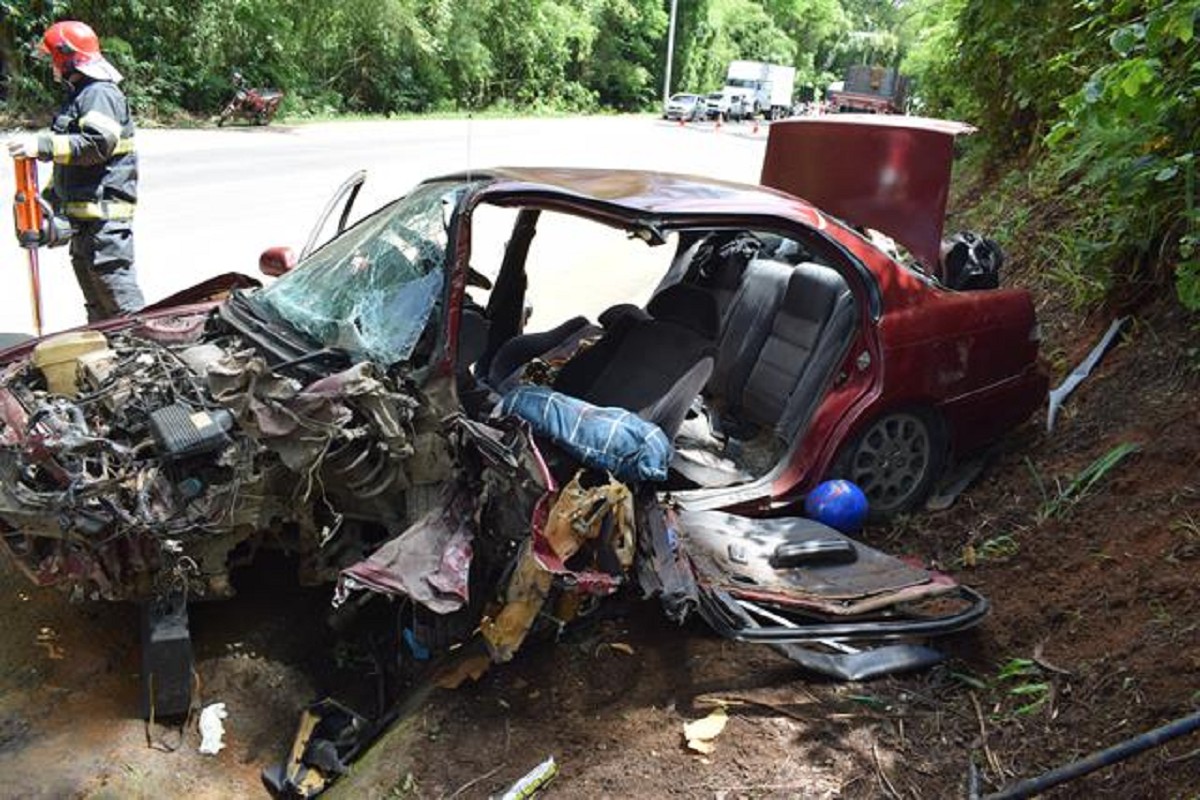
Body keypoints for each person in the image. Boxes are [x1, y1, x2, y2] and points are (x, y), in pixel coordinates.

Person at [6, 20, 144, 321]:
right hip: (85, 223)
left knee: (122, 308)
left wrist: (40, 145)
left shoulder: (99, 93)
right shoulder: (79, 95)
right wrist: (45, 204)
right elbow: (68, 164)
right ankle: (111, 361)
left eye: (53, 60)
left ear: (66, 58)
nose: (51, 67)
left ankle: (150, 358)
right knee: (98, 308)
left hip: (104, 224)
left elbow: (97, 144)